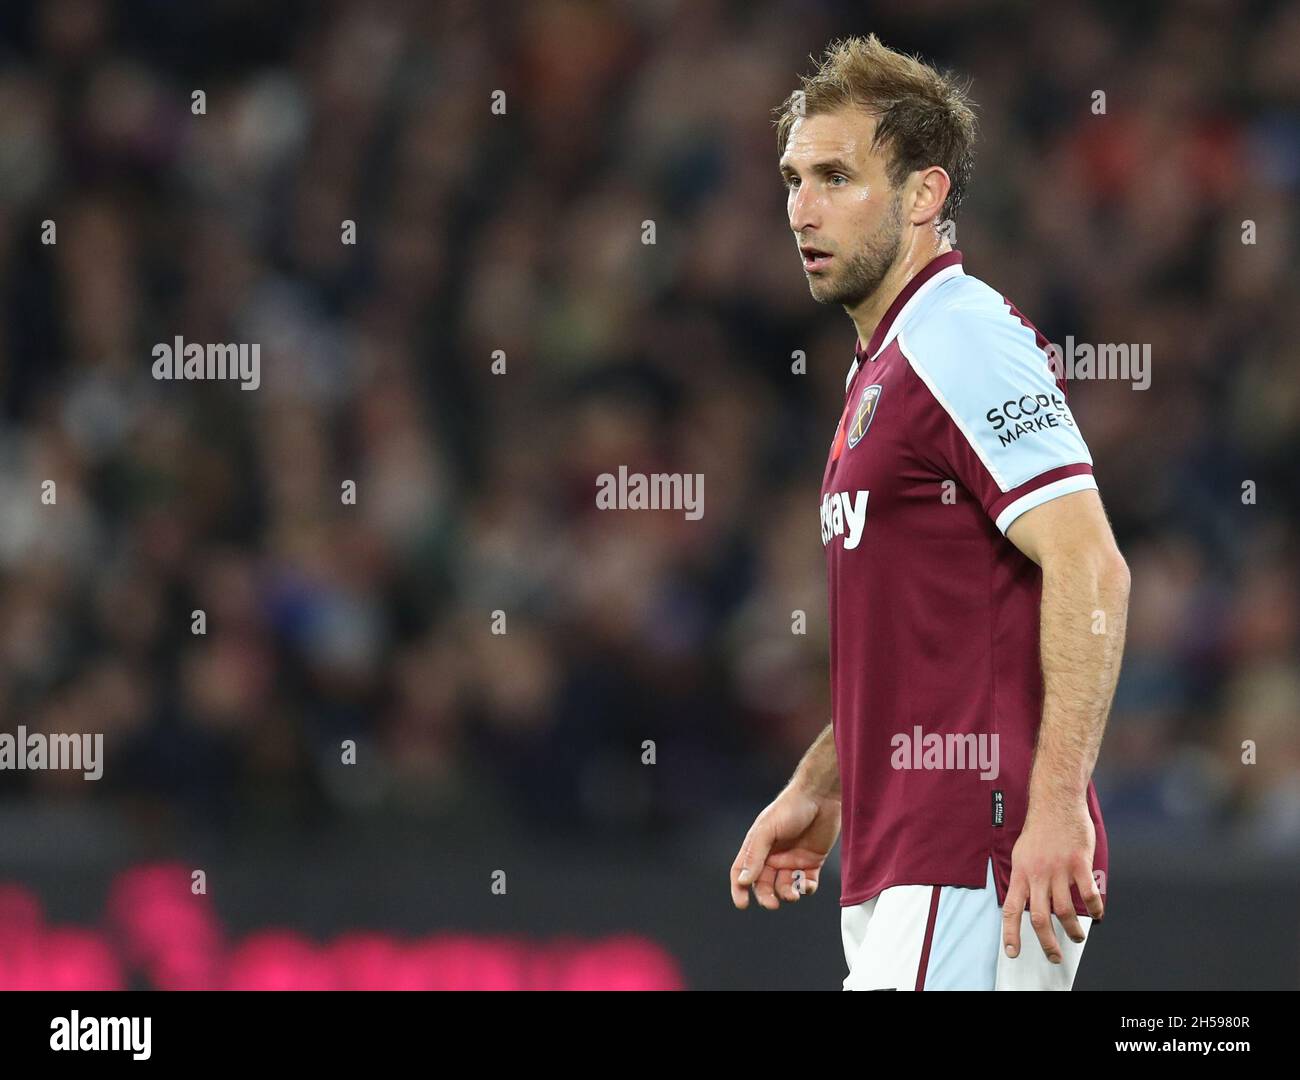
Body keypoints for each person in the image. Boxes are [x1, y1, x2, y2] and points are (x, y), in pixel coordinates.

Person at [729, 35, 1130, 991]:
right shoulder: (890, 364)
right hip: (914, 862)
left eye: (836, 176)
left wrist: (1058, 807)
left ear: (924, 194)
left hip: (971, 854)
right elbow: (930, 645)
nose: (801, 208)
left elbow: (1090, 564)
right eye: (792, 177)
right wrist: (825, 779)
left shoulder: (960, 336)